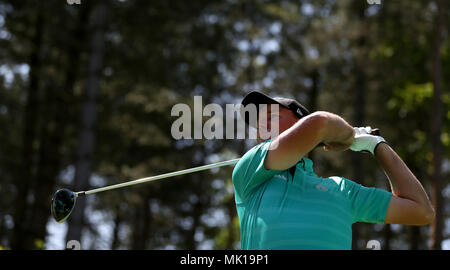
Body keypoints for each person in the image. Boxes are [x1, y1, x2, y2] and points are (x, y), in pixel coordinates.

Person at [232, 91, 435, 250]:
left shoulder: (342, 190)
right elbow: (322, 122)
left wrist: (378, 146)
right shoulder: (249, 170)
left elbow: (420, 211)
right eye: (258, 123)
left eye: (272, 117)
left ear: (300, 122)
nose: (262, 126)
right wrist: (346, 135)